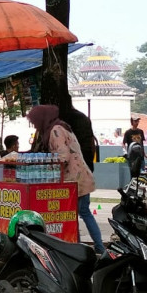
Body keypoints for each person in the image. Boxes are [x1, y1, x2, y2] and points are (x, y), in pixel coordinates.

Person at [28, 105, 103, 255]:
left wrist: (46, 164)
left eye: (35, 121)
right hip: (81, 177)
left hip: (74, 180)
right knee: (84, 212)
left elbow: (63, 156)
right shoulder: (62, 127)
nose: (35, 125)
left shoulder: (55, 131)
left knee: (72, 216)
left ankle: (79, 248)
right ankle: (98, 247)